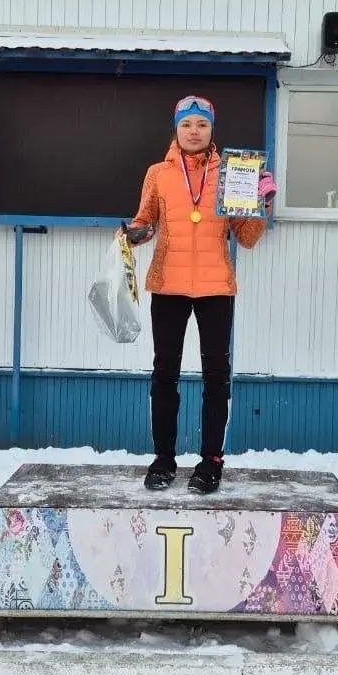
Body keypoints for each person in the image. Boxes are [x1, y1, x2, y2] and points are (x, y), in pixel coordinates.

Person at [124, 96, 276, 493]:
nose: (194, 131)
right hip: (169, 286)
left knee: (215, 377)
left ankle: (210, 461)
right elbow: (145, 221)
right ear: (176, 128)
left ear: (212, 130)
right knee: (165, 374)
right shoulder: (158, 173)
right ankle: (163, 458)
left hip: (215, 289)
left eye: (202, 125)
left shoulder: (233, 173)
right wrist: (133, 235)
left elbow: (246, 239)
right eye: (187, 124)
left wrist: (262, 203)